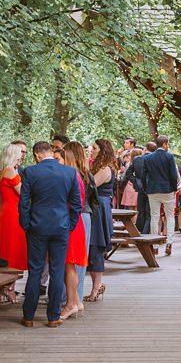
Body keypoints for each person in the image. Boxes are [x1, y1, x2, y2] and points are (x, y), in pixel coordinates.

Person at [19, 141, 81, 327]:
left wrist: (26, 225)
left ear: (37, 155)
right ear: (50, 152)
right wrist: (69, 225)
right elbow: (76, 203)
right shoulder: (69, 172)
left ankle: (28, 316)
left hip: (37, 227)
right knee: (57, 271)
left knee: (35, 271)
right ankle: (53, 316)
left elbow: (23, 203)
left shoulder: (30, 172)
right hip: (61, 227)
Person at [59, 142, 90, 321]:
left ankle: (70, 303)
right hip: (73, 222)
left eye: (58, 158)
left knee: (69, 265)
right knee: (68, 264)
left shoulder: (73, 177)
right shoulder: (75, 176)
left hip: (71, 223)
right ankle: (76, 301)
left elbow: (75, 204)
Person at [84, 138, 116, 303]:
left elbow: (90, 185)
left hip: (100, 208)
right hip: (97, 206)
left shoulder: (105, 169)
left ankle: (96, 288)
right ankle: (98, 284)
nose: (92, 150)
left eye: (95, 148)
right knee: (91, 248)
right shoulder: (98, 166)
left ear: (102, 151)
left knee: (95, 246)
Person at [0, 144, 29, 284]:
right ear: (12, 155)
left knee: (6, 248)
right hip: (13, 213)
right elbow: (23, 192)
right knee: (12, 249)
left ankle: (7, 287)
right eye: (19, 154)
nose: (21, 157)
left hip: (5, 211)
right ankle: (9, 288)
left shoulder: (1, 171)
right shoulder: (10, 171)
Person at [143, 135, 180, 256]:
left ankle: (154, 245)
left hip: (152, 190)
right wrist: (174, 189)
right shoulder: (169, 156)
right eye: (167, 143)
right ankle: (169, 242)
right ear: (164, 143)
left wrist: (145, 188)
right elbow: (173, 175)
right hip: (167, 190)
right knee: (170, 216)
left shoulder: (148, 158)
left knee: (154, 217)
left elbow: (143, 175)